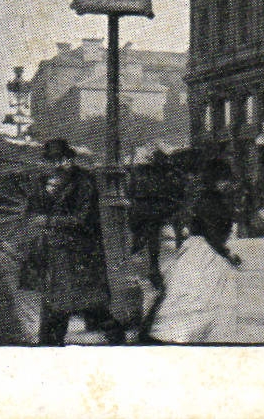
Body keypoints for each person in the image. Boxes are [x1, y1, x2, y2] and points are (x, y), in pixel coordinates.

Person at [23, 139, 124, 345]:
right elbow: (32, 211)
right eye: (52, 160)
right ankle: (49, 345)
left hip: (79, 251)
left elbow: (83, 219)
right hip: (52, 251)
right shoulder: (43, 182)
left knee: (83, 304)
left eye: (62, 159)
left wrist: (49, 220)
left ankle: (117, 339)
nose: (58, 164)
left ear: (70, 159)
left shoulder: (84, 181)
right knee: (59, 303)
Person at [145, 158, 242, 343]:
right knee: (202, 297)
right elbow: (211, 233)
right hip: (206, 253)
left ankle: (179, 333)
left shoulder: (210, 198)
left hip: (199, 251)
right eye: (224, 180)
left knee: (191, 295)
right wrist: (227, 253)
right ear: (216, 180)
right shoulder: (211, 200)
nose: (227, 184)